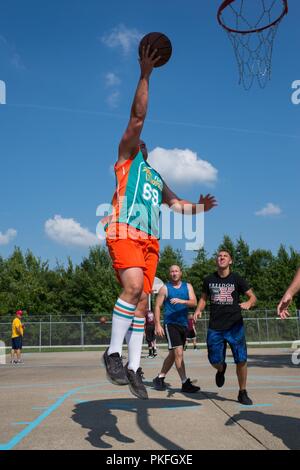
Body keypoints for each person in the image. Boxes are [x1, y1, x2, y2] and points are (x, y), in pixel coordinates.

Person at [102, 45, 217, 400]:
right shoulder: (125, 158)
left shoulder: (154, 175)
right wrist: (146, 74)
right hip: (125, 230)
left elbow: (175, 203)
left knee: (139, 304)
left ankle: (135, 368)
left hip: (151, 241)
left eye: (143, 145)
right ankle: (112, 354)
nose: (141, 143)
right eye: (138, 142)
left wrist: (198, 209)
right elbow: (137, 118)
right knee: (133, 288)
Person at [194, 250, 257, 405]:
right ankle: (221, 369)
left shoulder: (237, 279)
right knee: (214, 359)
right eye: (219, 256)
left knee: (241, 359)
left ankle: (242, 392)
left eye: (225, 256)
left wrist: (249, 303)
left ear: (230, 261)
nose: (221, 257)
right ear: (217, 260)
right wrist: (198, 310)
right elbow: (203, 299)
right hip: (215, 327)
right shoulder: (209, 279)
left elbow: (253, 297)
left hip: (235, 325)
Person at [152, 265, 200, 393]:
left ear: (181, 273)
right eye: (172, 271)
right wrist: (157, 324)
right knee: (179, 352)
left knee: (174, 354)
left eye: (176, 271)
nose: (174, 273)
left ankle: (160, 377)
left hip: (183, 324)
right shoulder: (165, 288)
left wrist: (182, 301)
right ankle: (185, 382)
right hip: (170, 324)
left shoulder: (188, 286)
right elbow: (157, 306)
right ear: (169, 274)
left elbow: (194, 302)